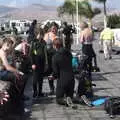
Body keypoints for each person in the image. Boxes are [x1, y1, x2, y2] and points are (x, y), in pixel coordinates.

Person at [50, 39, 75, 105]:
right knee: (69, 96)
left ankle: (66, 101)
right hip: (71, 79)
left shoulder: (55, 57)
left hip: (62, 80)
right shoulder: (69, 53)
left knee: (58, 99)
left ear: (55, 46)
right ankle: (71, 99)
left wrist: (52, 76)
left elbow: (56, 72)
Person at [30, 28, 47, 98]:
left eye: (41, 34)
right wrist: (32, 63)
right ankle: (35, 92)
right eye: (39, 34)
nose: (40, 36)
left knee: (41, 79)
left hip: (42, 62)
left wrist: (46, 63)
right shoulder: (33, 42)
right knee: (35, 79)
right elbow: (31, 54)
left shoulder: (44, 42)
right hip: (35, 62)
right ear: (36, 34)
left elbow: (45, 53)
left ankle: (40, 92)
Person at [44, 26, 57, 95]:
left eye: (54, 29)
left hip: (52, 63)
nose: (54, 30)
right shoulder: (47, 35)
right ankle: (52, 89)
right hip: (49, 64)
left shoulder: (53, 50)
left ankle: (53, 89)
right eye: (53, 29)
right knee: (50, 76)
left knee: (52, 75)